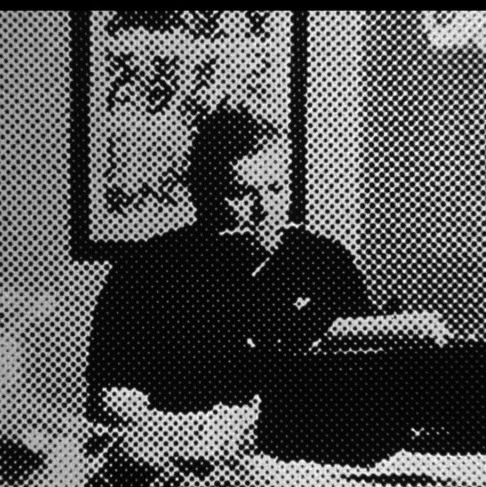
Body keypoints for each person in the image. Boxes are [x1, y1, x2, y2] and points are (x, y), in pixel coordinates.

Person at [85, 104, 376, 420]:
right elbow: (110, 391)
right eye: (241, 192)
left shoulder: (326, 262)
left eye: (276, 189)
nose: (264, 209)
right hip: (185, 455)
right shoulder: (145, 271)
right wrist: (179, 429)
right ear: (202, 193)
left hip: (308, 453)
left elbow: (367, 374)